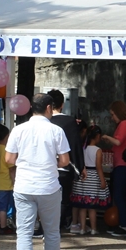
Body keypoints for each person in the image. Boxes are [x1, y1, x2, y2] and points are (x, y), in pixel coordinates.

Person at [5, 93, 71, 250]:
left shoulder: (19, 130)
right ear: (49, 108)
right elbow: (65, 161)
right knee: (51, 232)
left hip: (24, 186)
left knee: (24, 233)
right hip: (48, 186)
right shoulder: (56, 130)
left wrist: (26, 163)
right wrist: (51, 163)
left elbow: (8, 160)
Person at [47, 90, 85, 234]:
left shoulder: (46, 122)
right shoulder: (69, 122)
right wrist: (81, 167)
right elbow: (76, 145)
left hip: (46, 168)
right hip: (65, 167)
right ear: (62, 104)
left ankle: (44, 227)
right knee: (63, 200)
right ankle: (57, 227)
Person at [102, 101, 126, 237]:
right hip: (122, 164)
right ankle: (122, 222)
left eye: (113, 115)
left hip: (122, 164)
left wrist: (106, 137)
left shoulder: (124, 124)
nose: (112, 118)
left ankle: (124, 224)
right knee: (120, 194)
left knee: (119, 195)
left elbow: (118, 141)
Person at [71, 125, 110, 235]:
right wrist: (102, 181)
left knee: (83, 206)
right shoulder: (98, 150)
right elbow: (99, 167)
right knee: (92, 207)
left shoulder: (83, 148)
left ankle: (82, 228)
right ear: (98, 136)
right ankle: (93, 229)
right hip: (93, 178)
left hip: (83, 178)